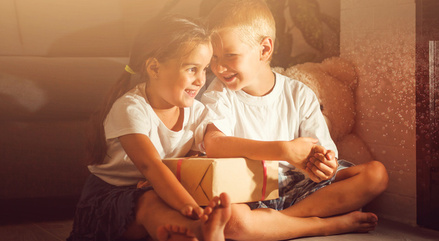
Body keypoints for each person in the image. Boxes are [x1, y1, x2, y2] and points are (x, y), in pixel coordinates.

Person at [201, 0, 389, 224]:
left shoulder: (299, 93)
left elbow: (324, 156)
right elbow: (213, 143)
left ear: (264, 49)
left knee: (376, 175)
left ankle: (280, 221)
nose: (219, 67)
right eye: (214, 57)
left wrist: (325, 166)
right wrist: (284, 150)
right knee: (230, 218)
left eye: (230, 55)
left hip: (302, 185)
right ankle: (319, 223)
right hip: (252, 188)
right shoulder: (218, 93)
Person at [67, 15, 231, 241]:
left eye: (205, 70)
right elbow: (150, 165)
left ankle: (194, 234)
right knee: (151, 202)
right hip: (108, 201)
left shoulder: (197, 111)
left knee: (164, 209)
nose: (201, 80)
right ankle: (199, 229)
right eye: (192, 69)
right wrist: (191, 207)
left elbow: (193, 160)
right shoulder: (130, 108)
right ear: (154, 68)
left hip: (158, 192)